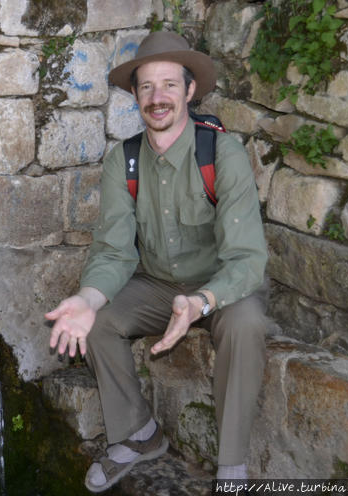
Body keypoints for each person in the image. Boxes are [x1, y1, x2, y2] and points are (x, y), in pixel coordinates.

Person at [45, 31, 269, 492]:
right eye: (146, 86)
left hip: (219, 286)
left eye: (169, 84)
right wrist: (87, 298)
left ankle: (232, 469)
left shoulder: (221, 153)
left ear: (190, 91)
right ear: (135, 96)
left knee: (247, 324)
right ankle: (141, 434)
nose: (157, 97)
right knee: (99, 319)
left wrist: (203, 301)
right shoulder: (122, 162)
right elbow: (113, 250)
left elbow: (247, 258)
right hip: (158, 284)